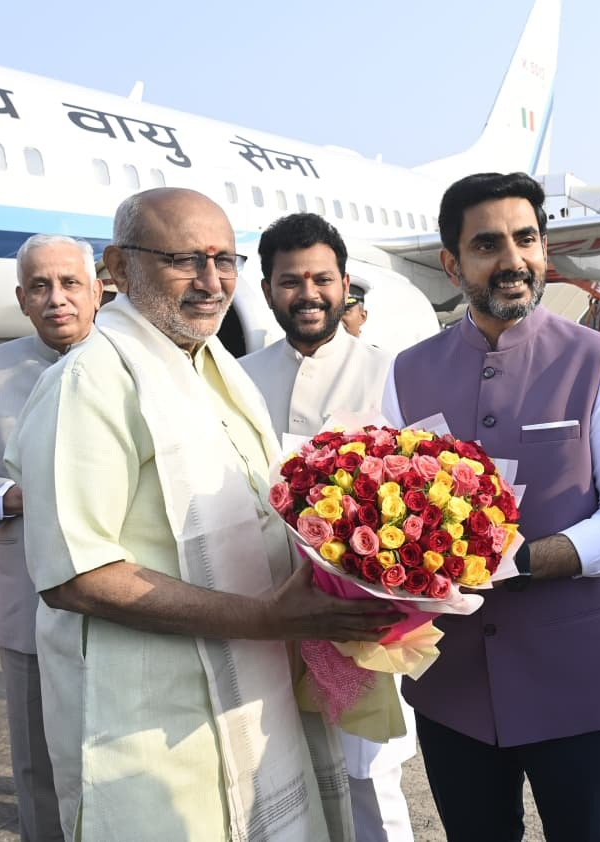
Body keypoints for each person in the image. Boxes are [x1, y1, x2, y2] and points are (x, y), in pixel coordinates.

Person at [4, 188, 402, 841]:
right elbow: (73, 575)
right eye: (185, 260)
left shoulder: (215, 365)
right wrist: (265, 618)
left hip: (250, 692)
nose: (212, 282)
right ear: (119, 269)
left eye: (225, 260)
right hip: (155, 726)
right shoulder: (91, 382)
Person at [381, 172, 600, 842]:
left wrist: (523, 562)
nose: (511, 259)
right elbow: (390, 506)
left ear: (544, 249)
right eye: (486, 245)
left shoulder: (597, 362)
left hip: (579, 677)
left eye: (525, 239)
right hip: (454, 687)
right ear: (452, 263)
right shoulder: (405, 372)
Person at [239, 212, 415, 842]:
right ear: (266, 291)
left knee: (369, 777)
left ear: (346, 286)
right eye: (289, 281)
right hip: (260, 607)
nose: (307, 294)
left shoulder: (393, 374)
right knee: (272, 771)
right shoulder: (236, 379)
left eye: (321, 278)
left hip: (360, 616)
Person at [0, 233, 102, 842]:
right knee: (37, 768)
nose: (56, 298)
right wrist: (12, 498)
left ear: (97, 291)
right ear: (22, 299)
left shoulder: (134, 363)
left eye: (70, 284)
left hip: (130, 602)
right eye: (40, 286)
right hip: (28, 604)